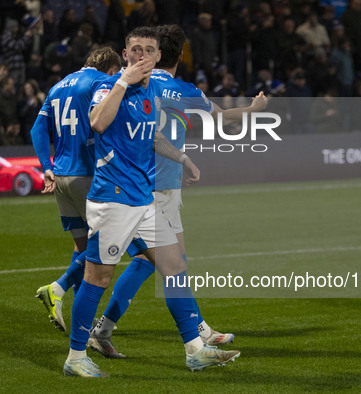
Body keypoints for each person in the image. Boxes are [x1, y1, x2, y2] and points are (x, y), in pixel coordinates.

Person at [63, 26, 240, 378]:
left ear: (159, 56)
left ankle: (194, 350)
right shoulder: (107, 86)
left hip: (143, 199)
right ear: (126, 54)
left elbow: (152, 135)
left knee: (173, 267)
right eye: (135, 50)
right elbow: (97, 122)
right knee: (97, 277)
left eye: (149, 50)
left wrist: (182, 159)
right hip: (114, 200)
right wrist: (122, 82)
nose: (142, 55)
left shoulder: (153, 92)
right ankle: (75, 356)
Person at [88, 24, 268, 358]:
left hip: (136, 182)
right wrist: (254, 110)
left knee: (153, 262)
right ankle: (191, 340)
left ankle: (194, 330)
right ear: (181, 55)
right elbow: (223, 119)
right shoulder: (182, 90)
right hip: (156, 190)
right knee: (167, 265)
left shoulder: (136, 82)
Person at [32, 47, 123, 332]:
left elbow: (37, 129)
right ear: (110, 68)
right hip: (87, 173)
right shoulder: (101, 82)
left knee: (82, 247)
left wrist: (45, 165)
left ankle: (78, 318)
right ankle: (57, 289)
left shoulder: (58, 85)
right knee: (112, 241)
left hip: (60, 177)